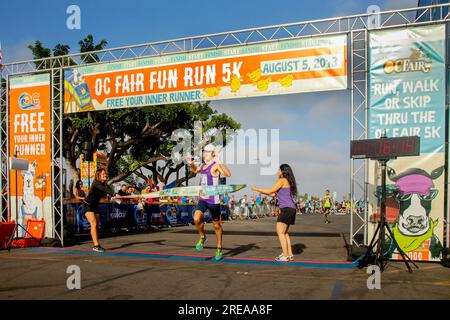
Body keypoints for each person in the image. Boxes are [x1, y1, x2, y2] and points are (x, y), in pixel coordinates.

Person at [187, 144, 231, 261]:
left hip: (213, 200)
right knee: (196, 218)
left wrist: (219, 159)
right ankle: (203, 237)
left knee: (216, 225)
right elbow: (195, 171)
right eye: (204, 152)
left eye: (207, 152)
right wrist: (191, 164)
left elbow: (228, 174)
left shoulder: (216, 165)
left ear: (212, 153)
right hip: (203, 198)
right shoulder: (202, 165)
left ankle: (219, 248)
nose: (204, 154)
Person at [251, 164, 298, 262]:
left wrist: (256, 189)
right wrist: (262, 191)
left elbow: (270, 190)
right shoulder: (287, 181)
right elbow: (273, 194)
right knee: (284, 233)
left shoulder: (282, 180)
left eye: (279, 170)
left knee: (280, 232)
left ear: (283, 171)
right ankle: (289, 254)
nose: (277, 172)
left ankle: (285, 255)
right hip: (291, 208)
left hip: (286, 209)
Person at [82, 168, 120, 252]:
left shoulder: (105, 184)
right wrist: (114, 194)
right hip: (87, 205)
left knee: (97, 225)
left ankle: (96, 242)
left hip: (95, 206)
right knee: (94, 223)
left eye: (105, 174)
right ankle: (96, 246)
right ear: (98, 175)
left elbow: (107, 193)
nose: (105, 175)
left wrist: (114, 198)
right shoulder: (96, 183)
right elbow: (105, 190)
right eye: (103, 174)